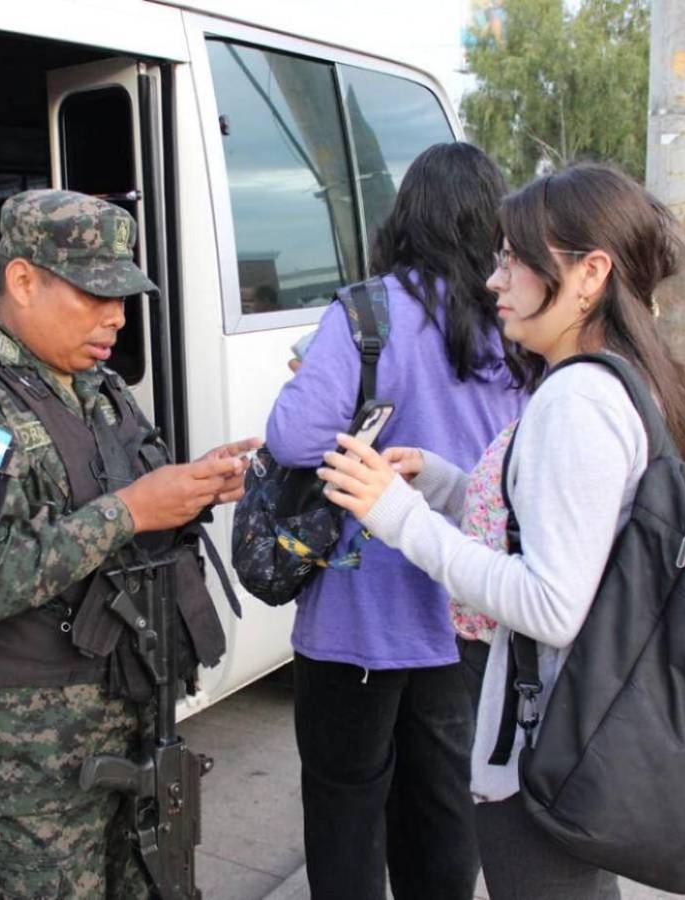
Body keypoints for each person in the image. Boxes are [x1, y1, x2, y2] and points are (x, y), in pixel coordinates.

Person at [319, 164, 685, 900]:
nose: (494, 279)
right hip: (576, 719)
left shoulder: (577, 401)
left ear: (591, 274)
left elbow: (550, 603)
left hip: (546, 732)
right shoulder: (613, 377)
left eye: (517, 259)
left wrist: (398, 517)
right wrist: (444, 483)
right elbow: (560, 529)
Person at [0, 189, 258, 899]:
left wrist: (192, 486)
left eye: (122, 297)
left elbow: (117, 496)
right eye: (95, 295)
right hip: (28, 765)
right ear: (23, 280)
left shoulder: (95, 383)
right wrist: (131, 511)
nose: (116, 316)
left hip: (128, 722)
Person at [265, 142, 532, 900]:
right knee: (443, 812)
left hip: (357, 616)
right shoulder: (516, 320)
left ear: (405, 216)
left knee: (346, 811)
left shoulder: (367, 311)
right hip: (466, 611)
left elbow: (292, 438)